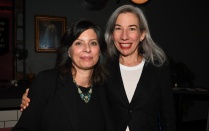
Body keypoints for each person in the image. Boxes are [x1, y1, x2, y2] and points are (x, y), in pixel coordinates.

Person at [20, 4, 176, 131]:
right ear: (112, 35)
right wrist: (32, 96)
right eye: (118, 28)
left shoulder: (158, 68)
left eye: (132, 28)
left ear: (142, 34)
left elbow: (168, 116)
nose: (124, 36)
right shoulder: (106, 68)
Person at [12, 19, 114, 131]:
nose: (87, 49)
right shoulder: (47, 82)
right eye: (79, 43)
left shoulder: (106, 88)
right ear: (69, 51)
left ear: (99, 51)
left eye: (93, 43)